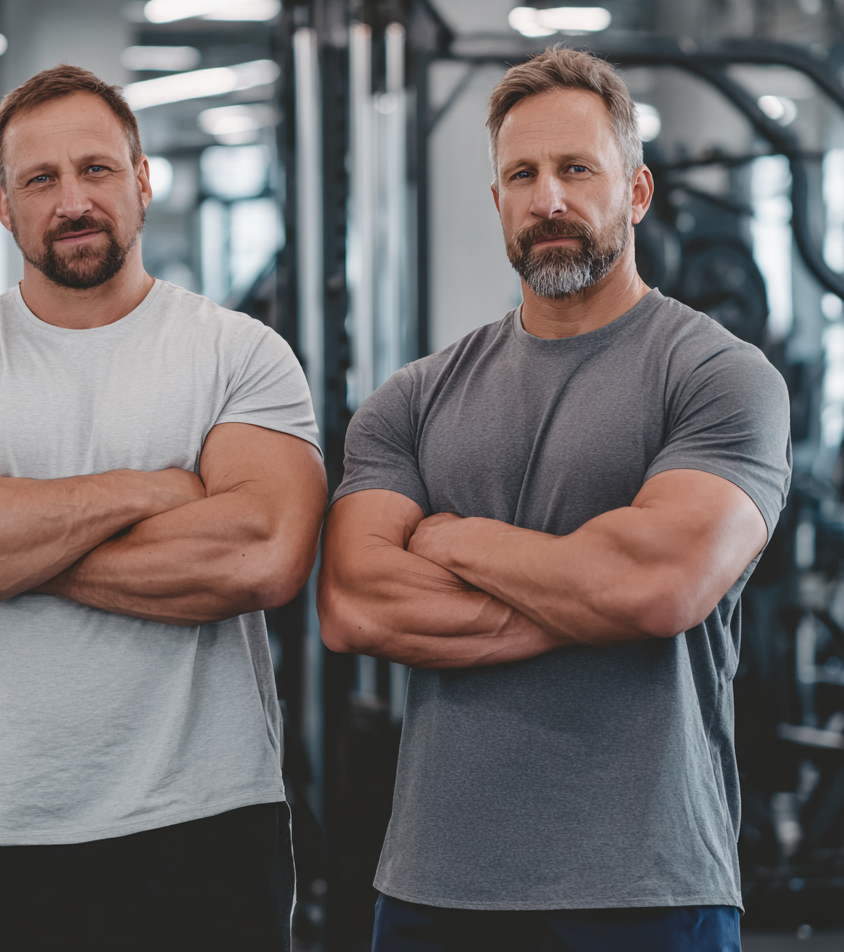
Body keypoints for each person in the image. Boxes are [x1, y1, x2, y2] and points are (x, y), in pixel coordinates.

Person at [318, 47, 791, 952]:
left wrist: (449, 539)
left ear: (636, 191)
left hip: (648, 887)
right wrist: (589, 596)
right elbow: (353, 603)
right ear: (497, 199)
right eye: (523, 175)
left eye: (577, 169)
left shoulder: (720, 378)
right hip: (435, 887)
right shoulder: (412, 399)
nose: (549, 200)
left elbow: (657, 586)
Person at [0, 65, 326, 952]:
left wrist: (1, 558)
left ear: (142, 179)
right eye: (40, 179)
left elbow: (261, 555)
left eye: (97, 169)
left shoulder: (240, 355)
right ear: (4, 205)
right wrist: (151, 491)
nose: (72, 201)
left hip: (206, 820)